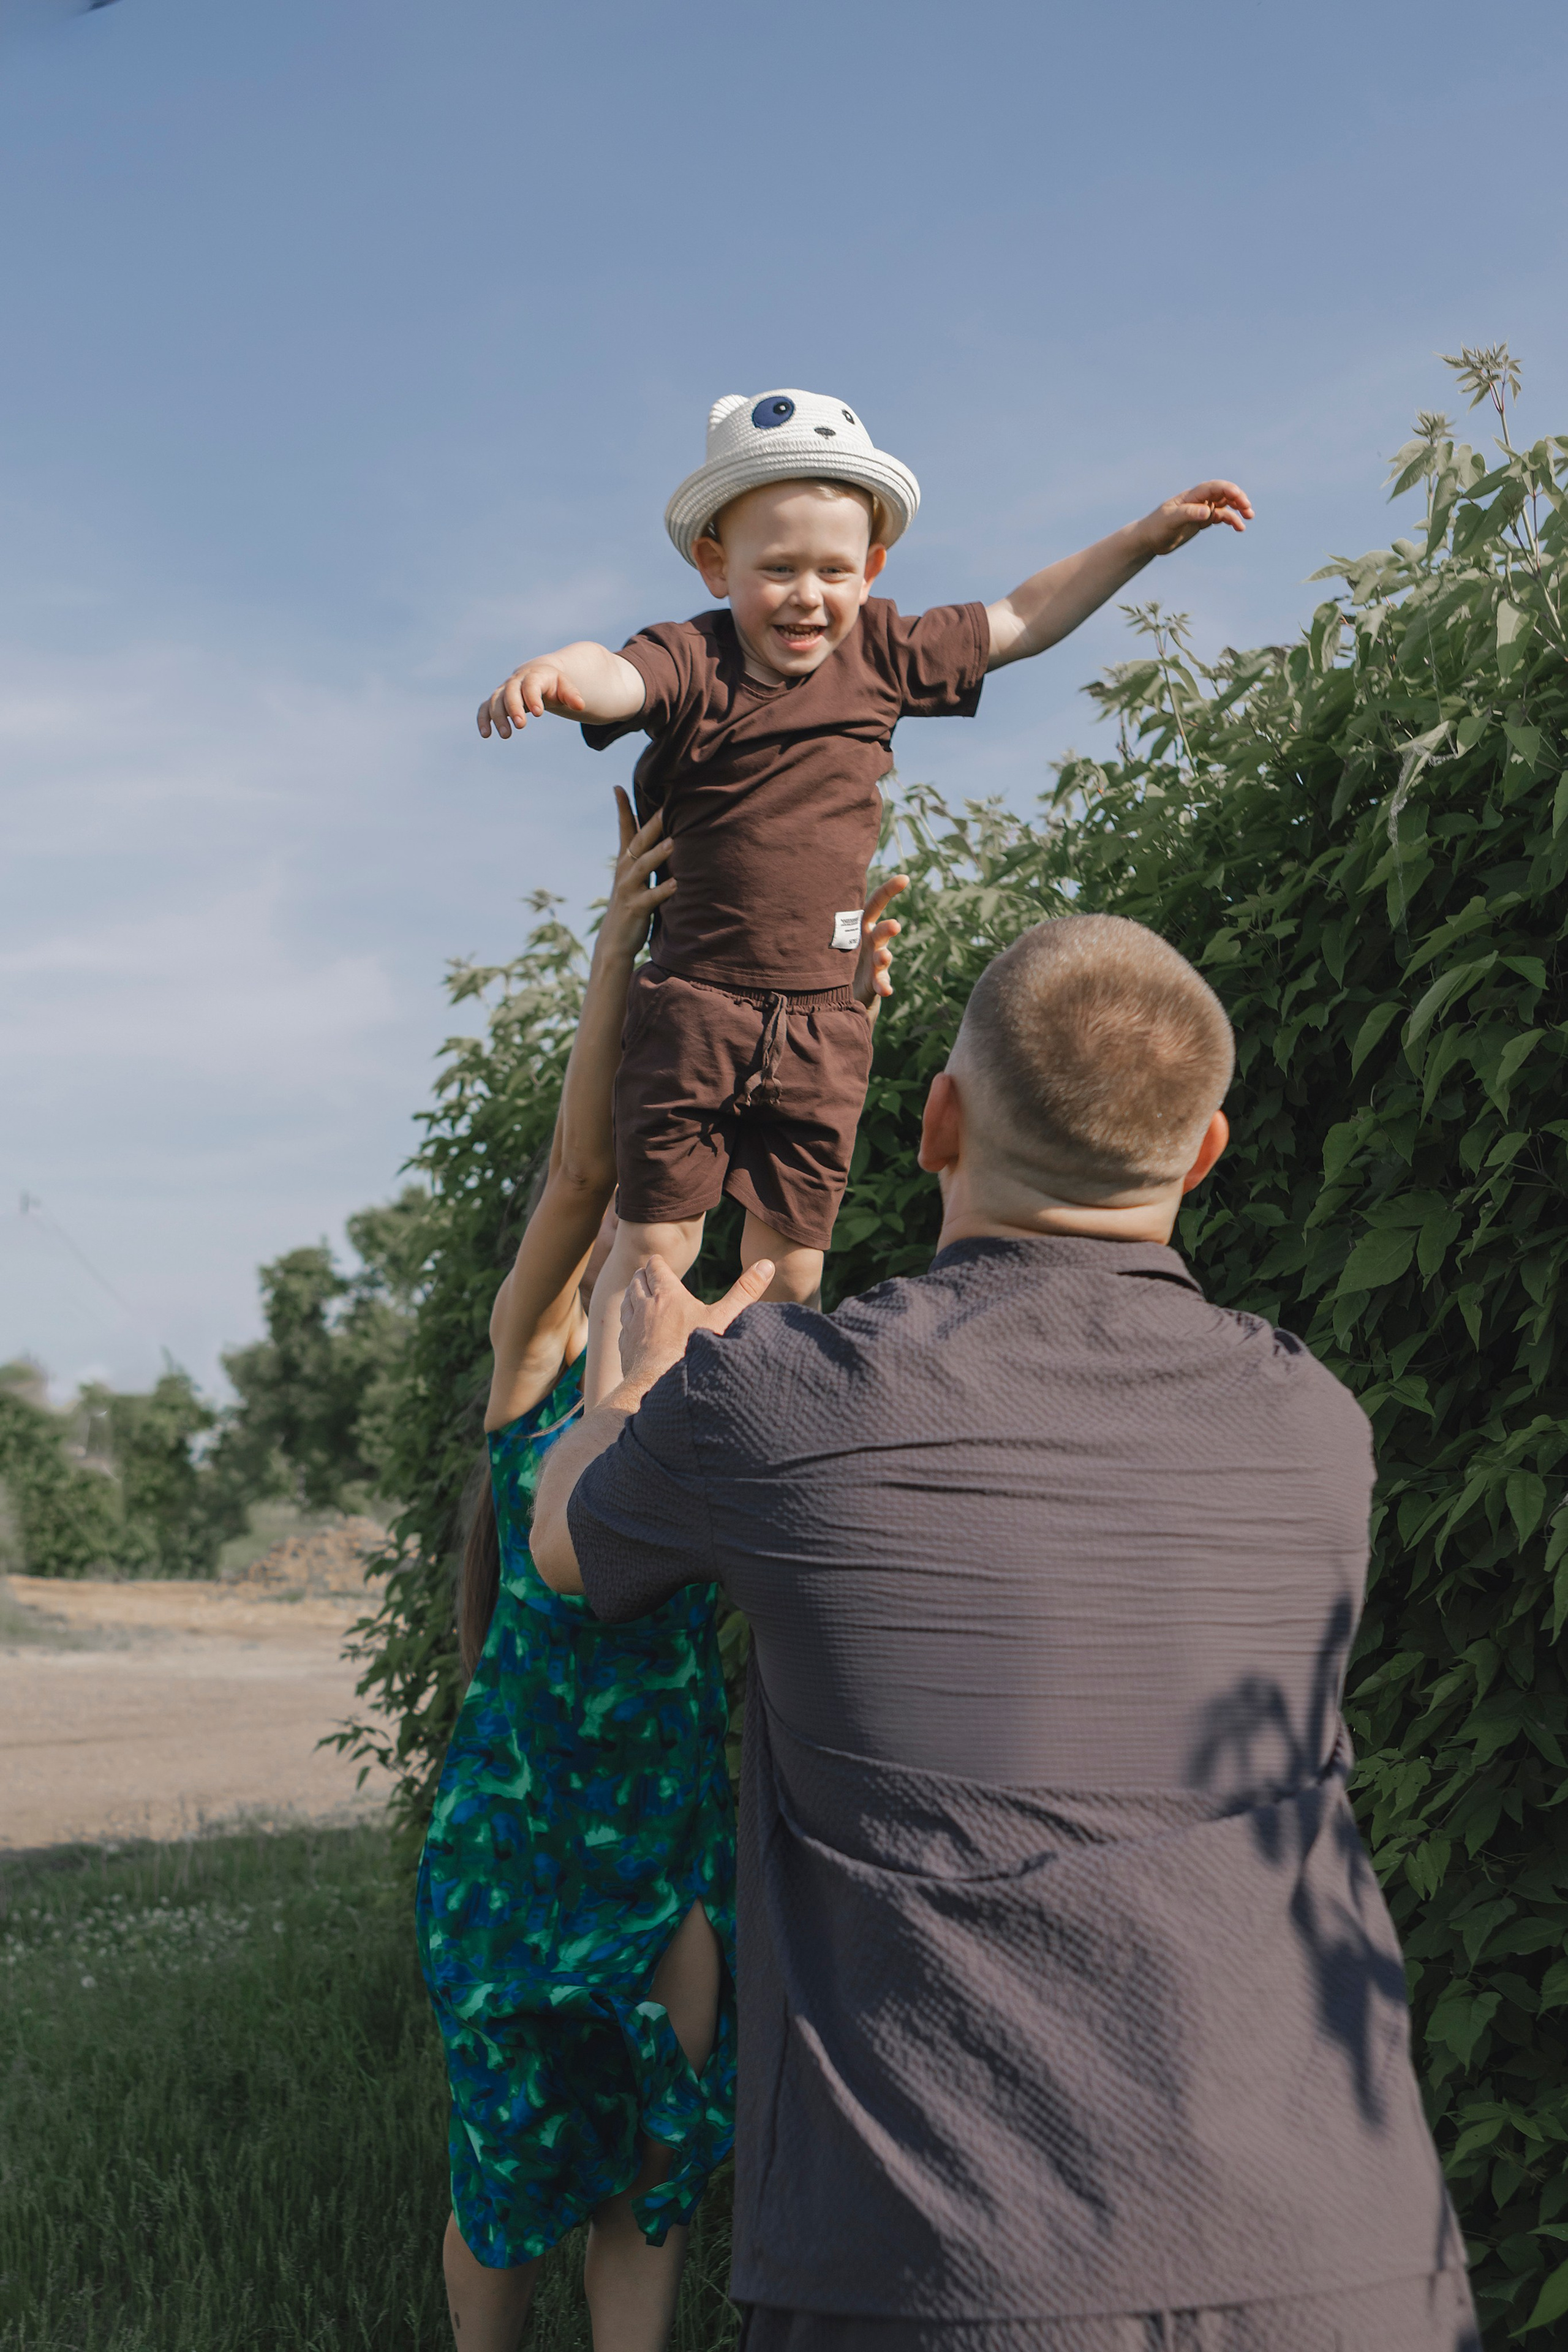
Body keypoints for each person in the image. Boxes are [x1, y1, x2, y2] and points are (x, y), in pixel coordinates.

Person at [527, 913, 1478, 2352]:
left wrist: (630, 1387)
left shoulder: (769, 1405)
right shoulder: (1312, 1420)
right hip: (1350, 2261)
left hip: (942, 2280)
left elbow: (562, 1541)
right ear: (1203, 1154)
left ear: (938, 1121)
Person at [475, 386, 1253, 1393]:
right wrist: (559, 673)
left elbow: (1020, 617)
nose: (809, 596)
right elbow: (619, 676)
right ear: (717, 564)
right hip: (698, 1005)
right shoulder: (694, 656)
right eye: (778, 570)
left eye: (835, 571)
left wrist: (1143, 540)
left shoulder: (882, 650)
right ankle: (616, 1445)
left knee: (789, 1264)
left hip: (826, 1019)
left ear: (873, 569)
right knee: (658, 1242)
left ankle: (743, 1431)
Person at [417, 789, 905, 2352]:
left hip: (659, 1835)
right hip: (506, 1821)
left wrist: (831, 1026)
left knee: (648, 2171)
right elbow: (574, 1177)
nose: (644, 1216)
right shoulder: (533, 1372)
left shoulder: (736, 1371)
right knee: (504, 2166)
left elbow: (801, 1217)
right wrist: (621, 949)